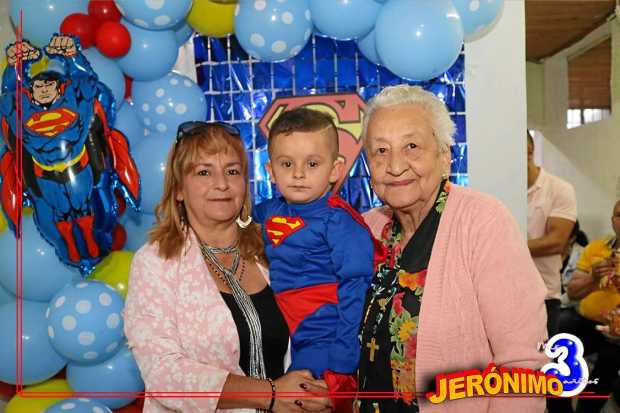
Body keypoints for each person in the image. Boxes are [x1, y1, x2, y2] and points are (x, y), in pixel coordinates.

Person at [358, 85, 548, 412]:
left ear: (444, 155)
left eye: (412, 146)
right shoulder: (365, 228)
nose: (395, 165)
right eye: (381, 151)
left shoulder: (483, 222)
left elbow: (523, 362)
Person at [124, 122, 332, 413]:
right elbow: (164, 374)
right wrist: (271, 394)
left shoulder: (273, 247)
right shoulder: (156, 262)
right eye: (204, 172)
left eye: (232, 171)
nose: (221, 184)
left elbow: (318, 323)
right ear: (179, 189)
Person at [254, 108, 375, 412]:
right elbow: (236, 224)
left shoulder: (340, 221)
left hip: (321, 332)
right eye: (287, 164)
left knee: (305, 400)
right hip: (283, 329)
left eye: (312, 164)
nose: (298, 174)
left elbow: (355, 286)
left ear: (335, 170)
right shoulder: (268, 211)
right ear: (270, 171)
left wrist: (344, 355)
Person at [0, 36, 139, 274]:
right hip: (43, 177)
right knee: (60, 218)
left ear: (59, 89)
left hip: (80, 169)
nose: (43, 90)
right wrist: (16, 66)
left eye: (48, 86)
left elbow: (87, 82)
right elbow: (8, 97)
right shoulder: (24, 113)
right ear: (30, 93)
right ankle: (74, 249)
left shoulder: (75, 106)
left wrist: (71, 55)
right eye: (38, 87)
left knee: (85, 213)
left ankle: (91, 246)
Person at [564, 200, 620, 413]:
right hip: (587, 322)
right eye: (619, 215)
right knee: (560, 340)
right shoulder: (596, 248)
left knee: (608, 360)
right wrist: (593, 278)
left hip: (616, 333)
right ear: (612, 220)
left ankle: (586, 409)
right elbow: (572, 291)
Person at [526, 131, 577, 338]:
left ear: (529, 151)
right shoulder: (497, 190)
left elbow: (556, 242)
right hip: (502, 295)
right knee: (506, 367)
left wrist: (507, 247)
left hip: (544, 294)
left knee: (542, 361)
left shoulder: (559, 189)